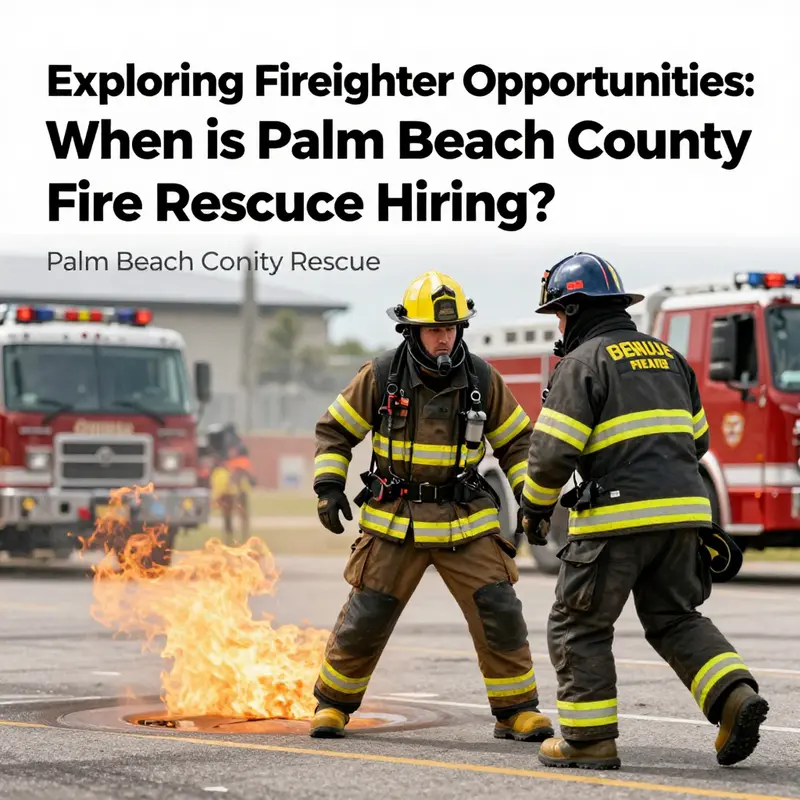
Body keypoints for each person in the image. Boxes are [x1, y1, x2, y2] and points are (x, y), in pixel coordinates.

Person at [519, 252, 769, 770]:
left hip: (614, 519)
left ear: (577, 308)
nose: (559, 327)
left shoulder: (583, 362)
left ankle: (588, 742)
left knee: (578, 625)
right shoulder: (670, 357)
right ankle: (733, 696)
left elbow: (550, 455)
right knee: (675, 617)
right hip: (685, 517)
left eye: (560, 315)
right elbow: (697, 441)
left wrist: (535, 511)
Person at [308, 270, 553, 742]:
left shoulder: (482, 377)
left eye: (452, 328)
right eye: (435, 329)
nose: (445, 338)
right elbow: (335, 431)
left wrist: (530, 500)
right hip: (395, 521)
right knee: (366, 617)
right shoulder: (380, 375)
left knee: (499, 609)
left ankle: (516, 711)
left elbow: (519, 444)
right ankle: (333, 705)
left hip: (466, 522)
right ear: (412, 332)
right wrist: (327, 486)